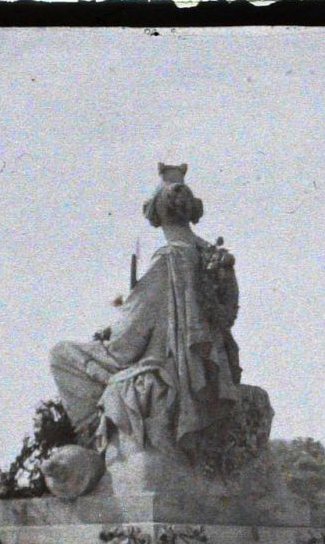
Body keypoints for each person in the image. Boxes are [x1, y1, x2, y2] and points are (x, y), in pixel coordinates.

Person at [48, 164, 250, 464]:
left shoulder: (168, 259)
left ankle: (95, 437)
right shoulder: (212, 255)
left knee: (61, 354)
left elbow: (128, 340)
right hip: (211, 365)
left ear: (155, 214)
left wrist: (110, 332)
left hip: (163, 362)